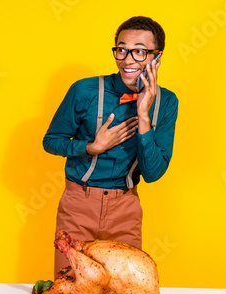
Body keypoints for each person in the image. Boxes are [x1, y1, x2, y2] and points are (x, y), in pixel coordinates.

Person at [43, 16, 179, 276]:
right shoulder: (85, 90)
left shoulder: (167, 102)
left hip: (125, 209)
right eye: (122, 49)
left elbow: (152, 173)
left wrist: (143, 116)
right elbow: (51, 141)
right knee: (70, 290)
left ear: (157, 57)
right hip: (78, 204)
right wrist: (90, 147)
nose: (128, 60)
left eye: (140, 51)